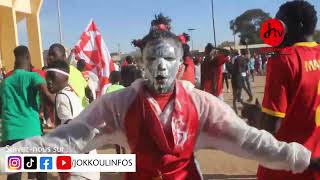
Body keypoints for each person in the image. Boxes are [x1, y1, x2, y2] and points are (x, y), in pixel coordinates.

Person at [1, 14, 320, 180]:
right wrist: (8, 159)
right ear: (141, 62)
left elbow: (253, 142)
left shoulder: (202, 106)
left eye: (169, 60)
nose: (161, 69)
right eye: (153, 60)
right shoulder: (117, 106)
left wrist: (304, 160)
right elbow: (58, 145)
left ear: (182, 63)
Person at [258, 1, 320, 180]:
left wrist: (256, 119)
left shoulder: (283, 61)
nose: (276, 27)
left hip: (288, 168)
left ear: (298, 25)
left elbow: (272, 126)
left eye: (280, 21)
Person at [0, 46, 53, 180]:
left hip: (11, 133)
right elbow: (45, 91)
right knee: (39, 171)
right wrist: (54, 103)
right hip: (32, 132)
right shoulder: (32, 76)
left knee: (14, 174)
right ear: (28, 58)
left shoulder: (5, 82)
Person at [45, 60, 100, 180]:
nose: (48, 81)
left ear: (65, 77)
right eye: (47, 77)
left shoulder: (62, 96)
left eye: (52, 77)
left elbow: (71, 131)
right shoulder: (72, 93)